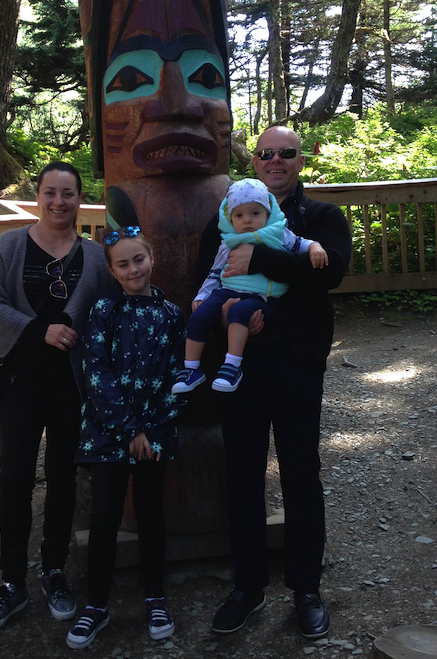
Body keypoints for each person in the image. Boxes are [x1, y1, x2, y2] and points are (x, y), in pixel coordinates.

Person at [196, 127, 351, 638]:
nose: (276, 161)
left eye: (286, 153)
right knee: (242, 476)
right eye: (267, 154)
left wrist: (260, 257)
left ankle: (306, 588)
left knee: (301, 474)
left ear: (299, 160)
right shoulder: (224, 222)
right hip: (240, 368)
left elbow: (330, 274)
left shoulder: (322, 218)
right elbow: (208, 286)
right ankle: (248, 587)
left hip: (299, 362)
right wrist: (225, 320)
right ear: (255, 160)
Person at [0, 162, 112, 632]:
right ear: (37, 197)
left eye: (68, 193)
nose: (59, 202)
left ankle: (54, 570)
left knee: (63, 478)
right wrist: (39, 330)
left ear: (78, 198)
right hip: (19, 383)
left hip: (71, 386)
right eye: (50, 193)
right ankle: (11, 582)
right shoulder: (11, 246)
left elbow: (111, 307)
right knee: (14, 481)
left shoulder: (95, 255)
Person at [65, 226, 185, 650]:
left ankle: (155, 597)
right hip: (108, 432)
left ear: (151, 259)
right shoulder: (104, 310)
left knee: (151, 512)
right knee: (105, 516)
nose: (133, 269)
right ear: (112, 270)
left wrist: (151, 429)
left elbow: (179, 375)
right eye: (123, 263)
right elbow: (96, 373)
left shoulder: (171, 313)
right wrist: (129, 430)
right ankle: (96, 604)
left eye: (139, 259)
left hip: (155, 432)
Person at [172, 178, 327, 394]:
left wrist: (316, 247)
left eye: (255, 213)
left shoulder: (277, 232)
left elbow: (301, 243)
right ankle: (191, 369)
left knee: (239, 312)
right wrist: (202, 295)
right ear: (230, 217)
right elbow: (215, 271)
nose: (247, 220)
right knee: (198, 315)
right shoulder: (228, 240)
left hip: (259, 295)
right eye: (239, 215)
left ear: (267, 213)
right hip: (225, 290)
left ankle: (232, 366)